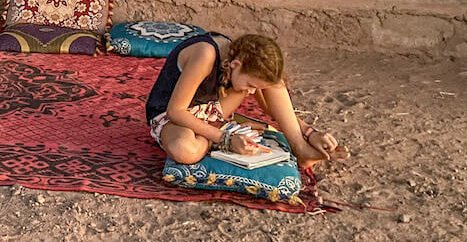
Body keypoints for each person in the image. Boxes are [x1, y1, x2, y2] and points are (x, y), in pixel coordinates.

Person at [146, 31, 344, 168]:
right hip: (173, 116)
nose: (251, 93)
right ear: (235, 64)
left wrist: (308, 131)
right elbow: (176, 111)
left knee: (273, 80)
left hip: (210, 112)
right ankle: (214, 136)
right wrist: (225, 139)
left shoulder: (240, 67)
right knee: (184, 150)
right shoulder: (205, 54)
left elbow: (270, 108)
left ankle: (299, 147)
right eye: (250, 85)